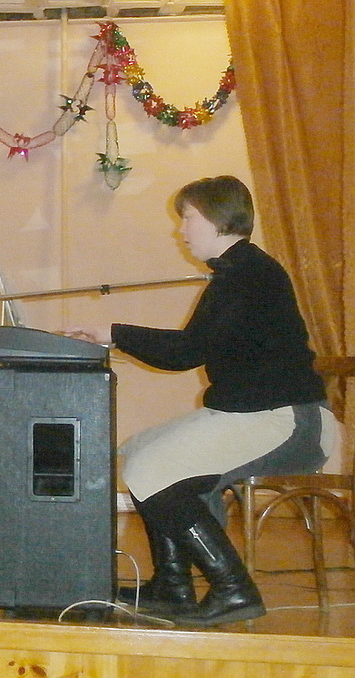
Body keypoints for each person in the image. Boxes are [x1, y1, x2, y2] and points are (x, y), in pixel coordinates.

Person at [63, 175, 337, 627]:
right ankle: (173, 587)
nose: (182, 230)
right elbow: (191, 348)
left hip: (289, 422)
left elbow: (186, 352)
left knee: (151, 470)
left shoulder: (248, 275)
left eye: (187, 218)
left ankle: (233, 590)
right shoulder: (238, 272)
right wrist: (112, 336)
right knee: (139, 452)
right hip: (256, 415)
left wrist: (114, 333)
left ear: (216, 218)